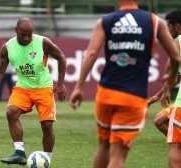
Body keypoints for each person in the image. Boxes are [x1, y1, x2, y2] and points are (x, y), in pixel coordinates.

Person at [69, 0, 180, 167]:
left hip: (106, 93)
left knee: (103, 144)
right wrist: (171, 78)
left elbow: (91, 54)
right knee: (118, 155)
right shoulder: (154, 21)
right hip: (133, 96)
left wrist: (79, 87)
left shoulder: (104, 21)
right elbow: (176, 57)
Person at [0, 17, 66, 165]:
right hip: (23, 88)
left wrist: (61, 84)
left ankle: (46, 159)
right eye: (23, 35)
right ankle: (19, 153)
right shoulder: (8, 47)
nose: (27, 38)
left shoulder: (42, 42)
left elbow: (61, 57)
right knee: (11, 112)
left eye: (29, 35)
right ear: (16, 31)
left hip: (44, 87)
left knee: (47, 125)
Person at [147, 10, 181, 168]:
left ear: (177, 26)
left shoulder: (179, 41)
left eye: (169, 27)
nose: (168, 31)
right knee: (160, 120)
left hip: (180, 105)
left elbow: (170, 70)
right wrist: (157, 95)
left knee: (175, 146)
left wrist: (166, 92)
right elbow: (177, 78)